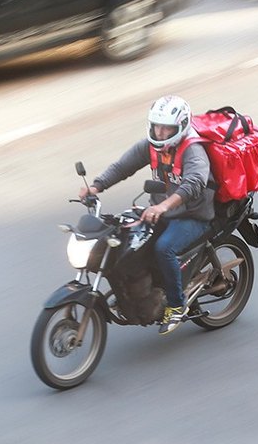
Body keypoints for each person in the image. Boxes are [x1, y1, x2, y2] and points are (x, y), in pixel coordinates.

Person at [78, 95, 215, 335]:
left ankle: (175, 305)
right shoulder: (151, 146)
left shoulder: (193, 149)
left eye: (167, 128)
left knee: (164, 248)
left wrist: (164, 206)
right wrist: (97, 186)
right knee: (126, 239)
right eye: (157, 126)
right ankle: (137, 291)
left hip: (193, 215)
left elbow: (194, 183)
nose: (161, 132)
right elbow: (123, 166)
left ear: (181, 126)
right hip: (159, 210)